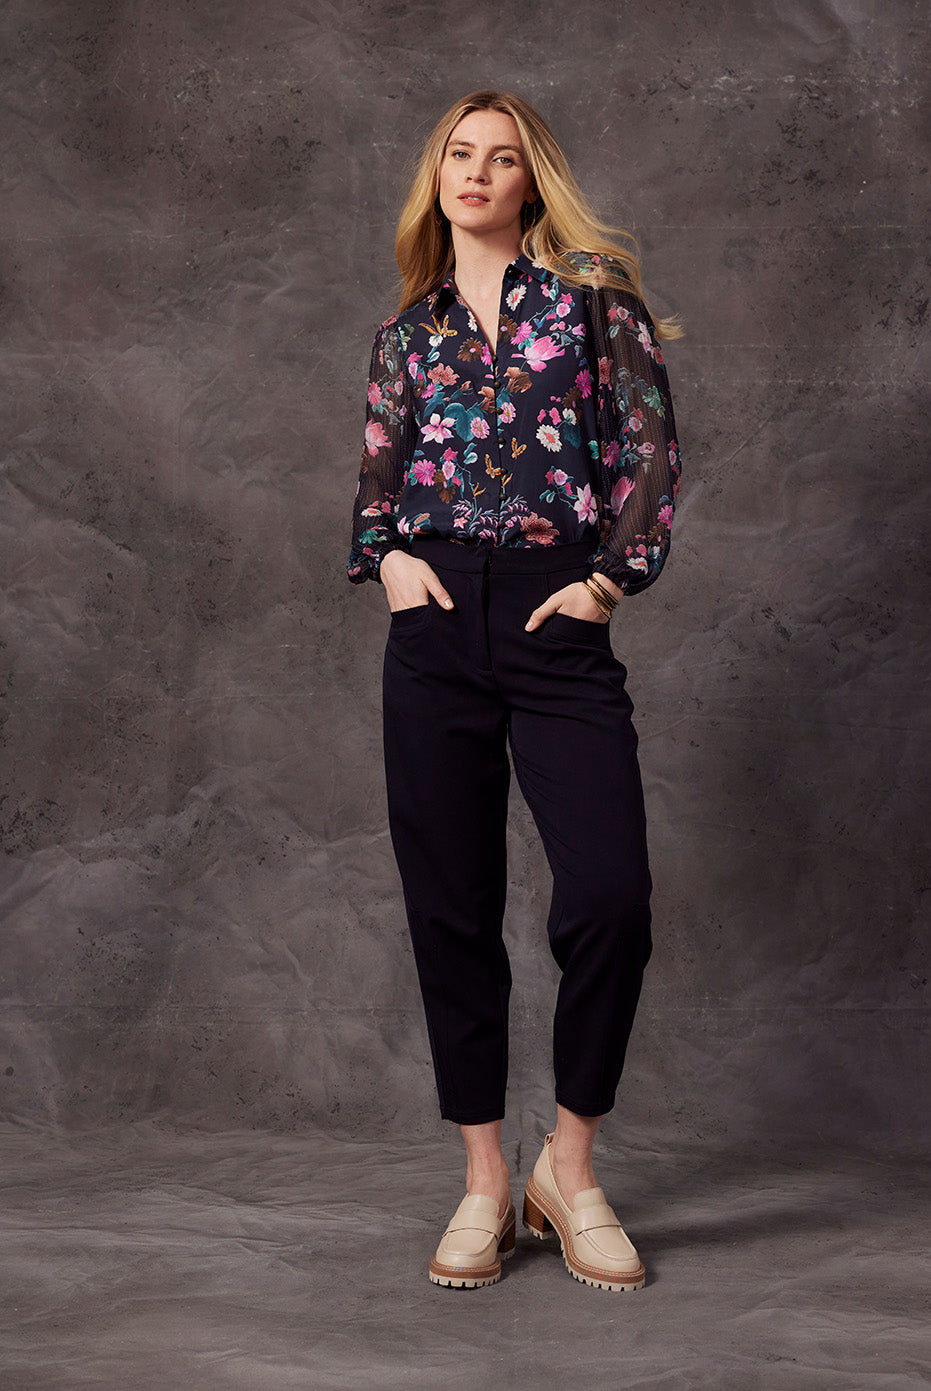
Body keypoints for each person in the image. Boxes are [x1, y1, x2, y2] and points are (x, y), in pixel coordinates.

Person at [347, 90, 682, 1293]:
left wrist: (605, 583)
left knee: (609, 895)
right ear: (436, 173)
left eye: (500, 157)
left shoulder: (594, 306)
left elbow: (649, 452)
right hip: (435, 622)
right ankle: (485, 1179)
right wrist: (388, 560)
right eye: (458, 153)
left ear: (531, 181)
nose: (476, 172)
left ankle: (569, 1167)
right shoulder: (407, 334)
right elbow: (376, 483)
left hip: (554, 617)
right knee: (452, 905)